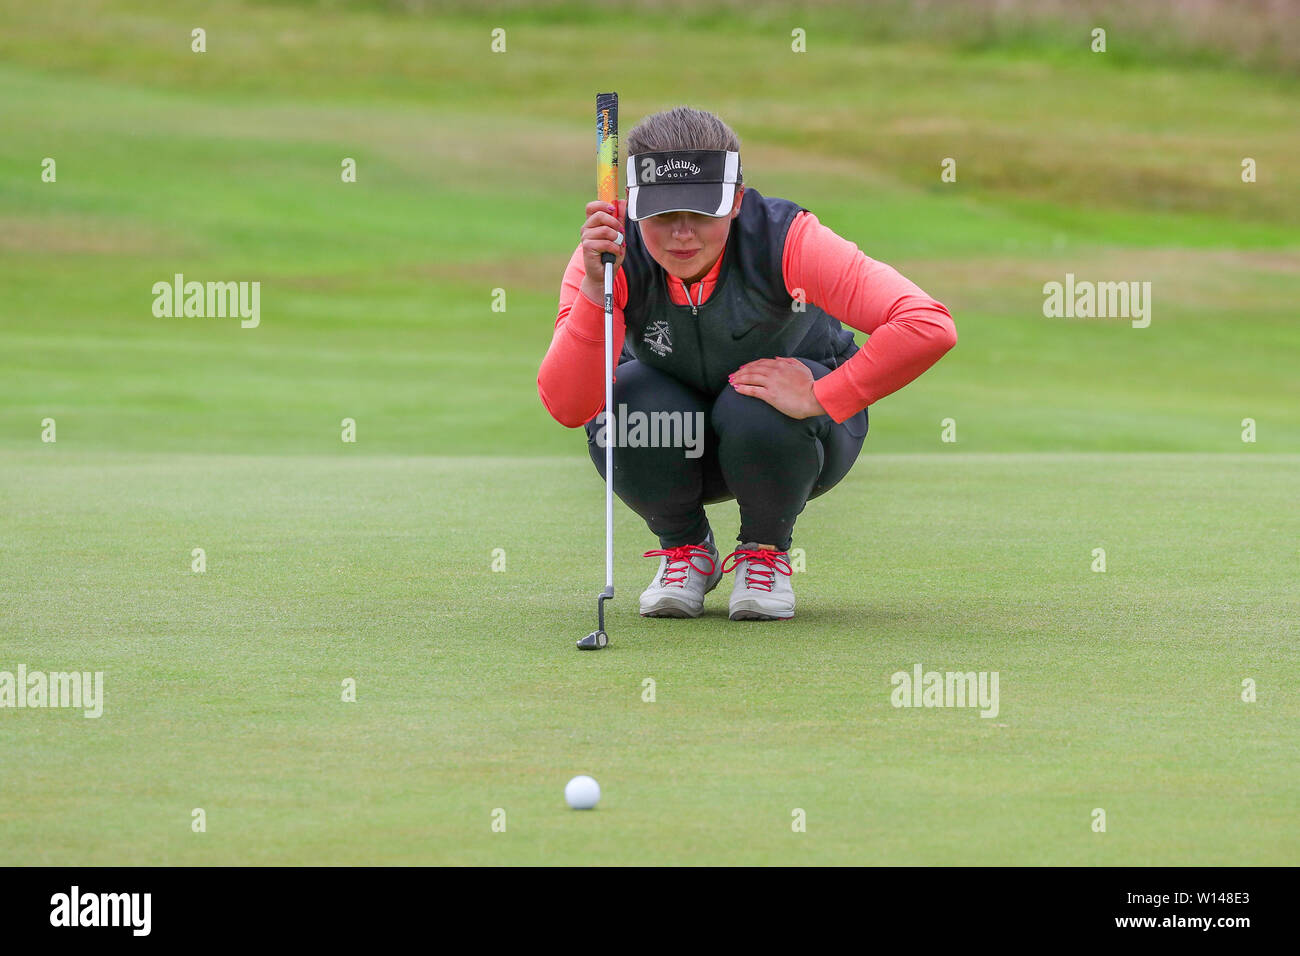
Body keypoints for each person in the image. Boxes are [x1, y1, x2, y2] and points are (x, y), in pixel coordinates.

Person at [538, 106, 956, 622]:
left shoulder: (786, 239)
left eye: (703, 213)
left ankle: (764, 552)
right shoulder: (607, 258)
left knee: (753, 404)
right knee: (625, 398)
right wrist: (597, 290)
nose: (682, 234)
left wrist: (823, 395)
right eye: (664, 215)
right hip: (677, 442)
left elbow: (927, 324)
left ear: (735, 201)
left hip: (800, 438)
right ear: (633, 208)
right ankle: (685, 549)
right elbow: (566, 404)